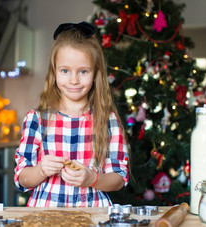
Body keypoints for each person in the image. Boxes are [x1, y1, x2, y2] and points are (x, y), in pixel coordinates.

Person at [14, 21, 129, 207]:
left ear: (95, 74)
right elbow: (22, 178)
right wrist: (41, 170)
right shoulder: (37, 120)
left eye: (83, 71)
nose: (74, 80)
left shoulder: (108, 120)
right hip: (46, 215)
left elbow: (119, 179)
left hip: (94, 214)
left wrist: (92, 178)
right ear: (54, 73)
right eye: (65, 71)